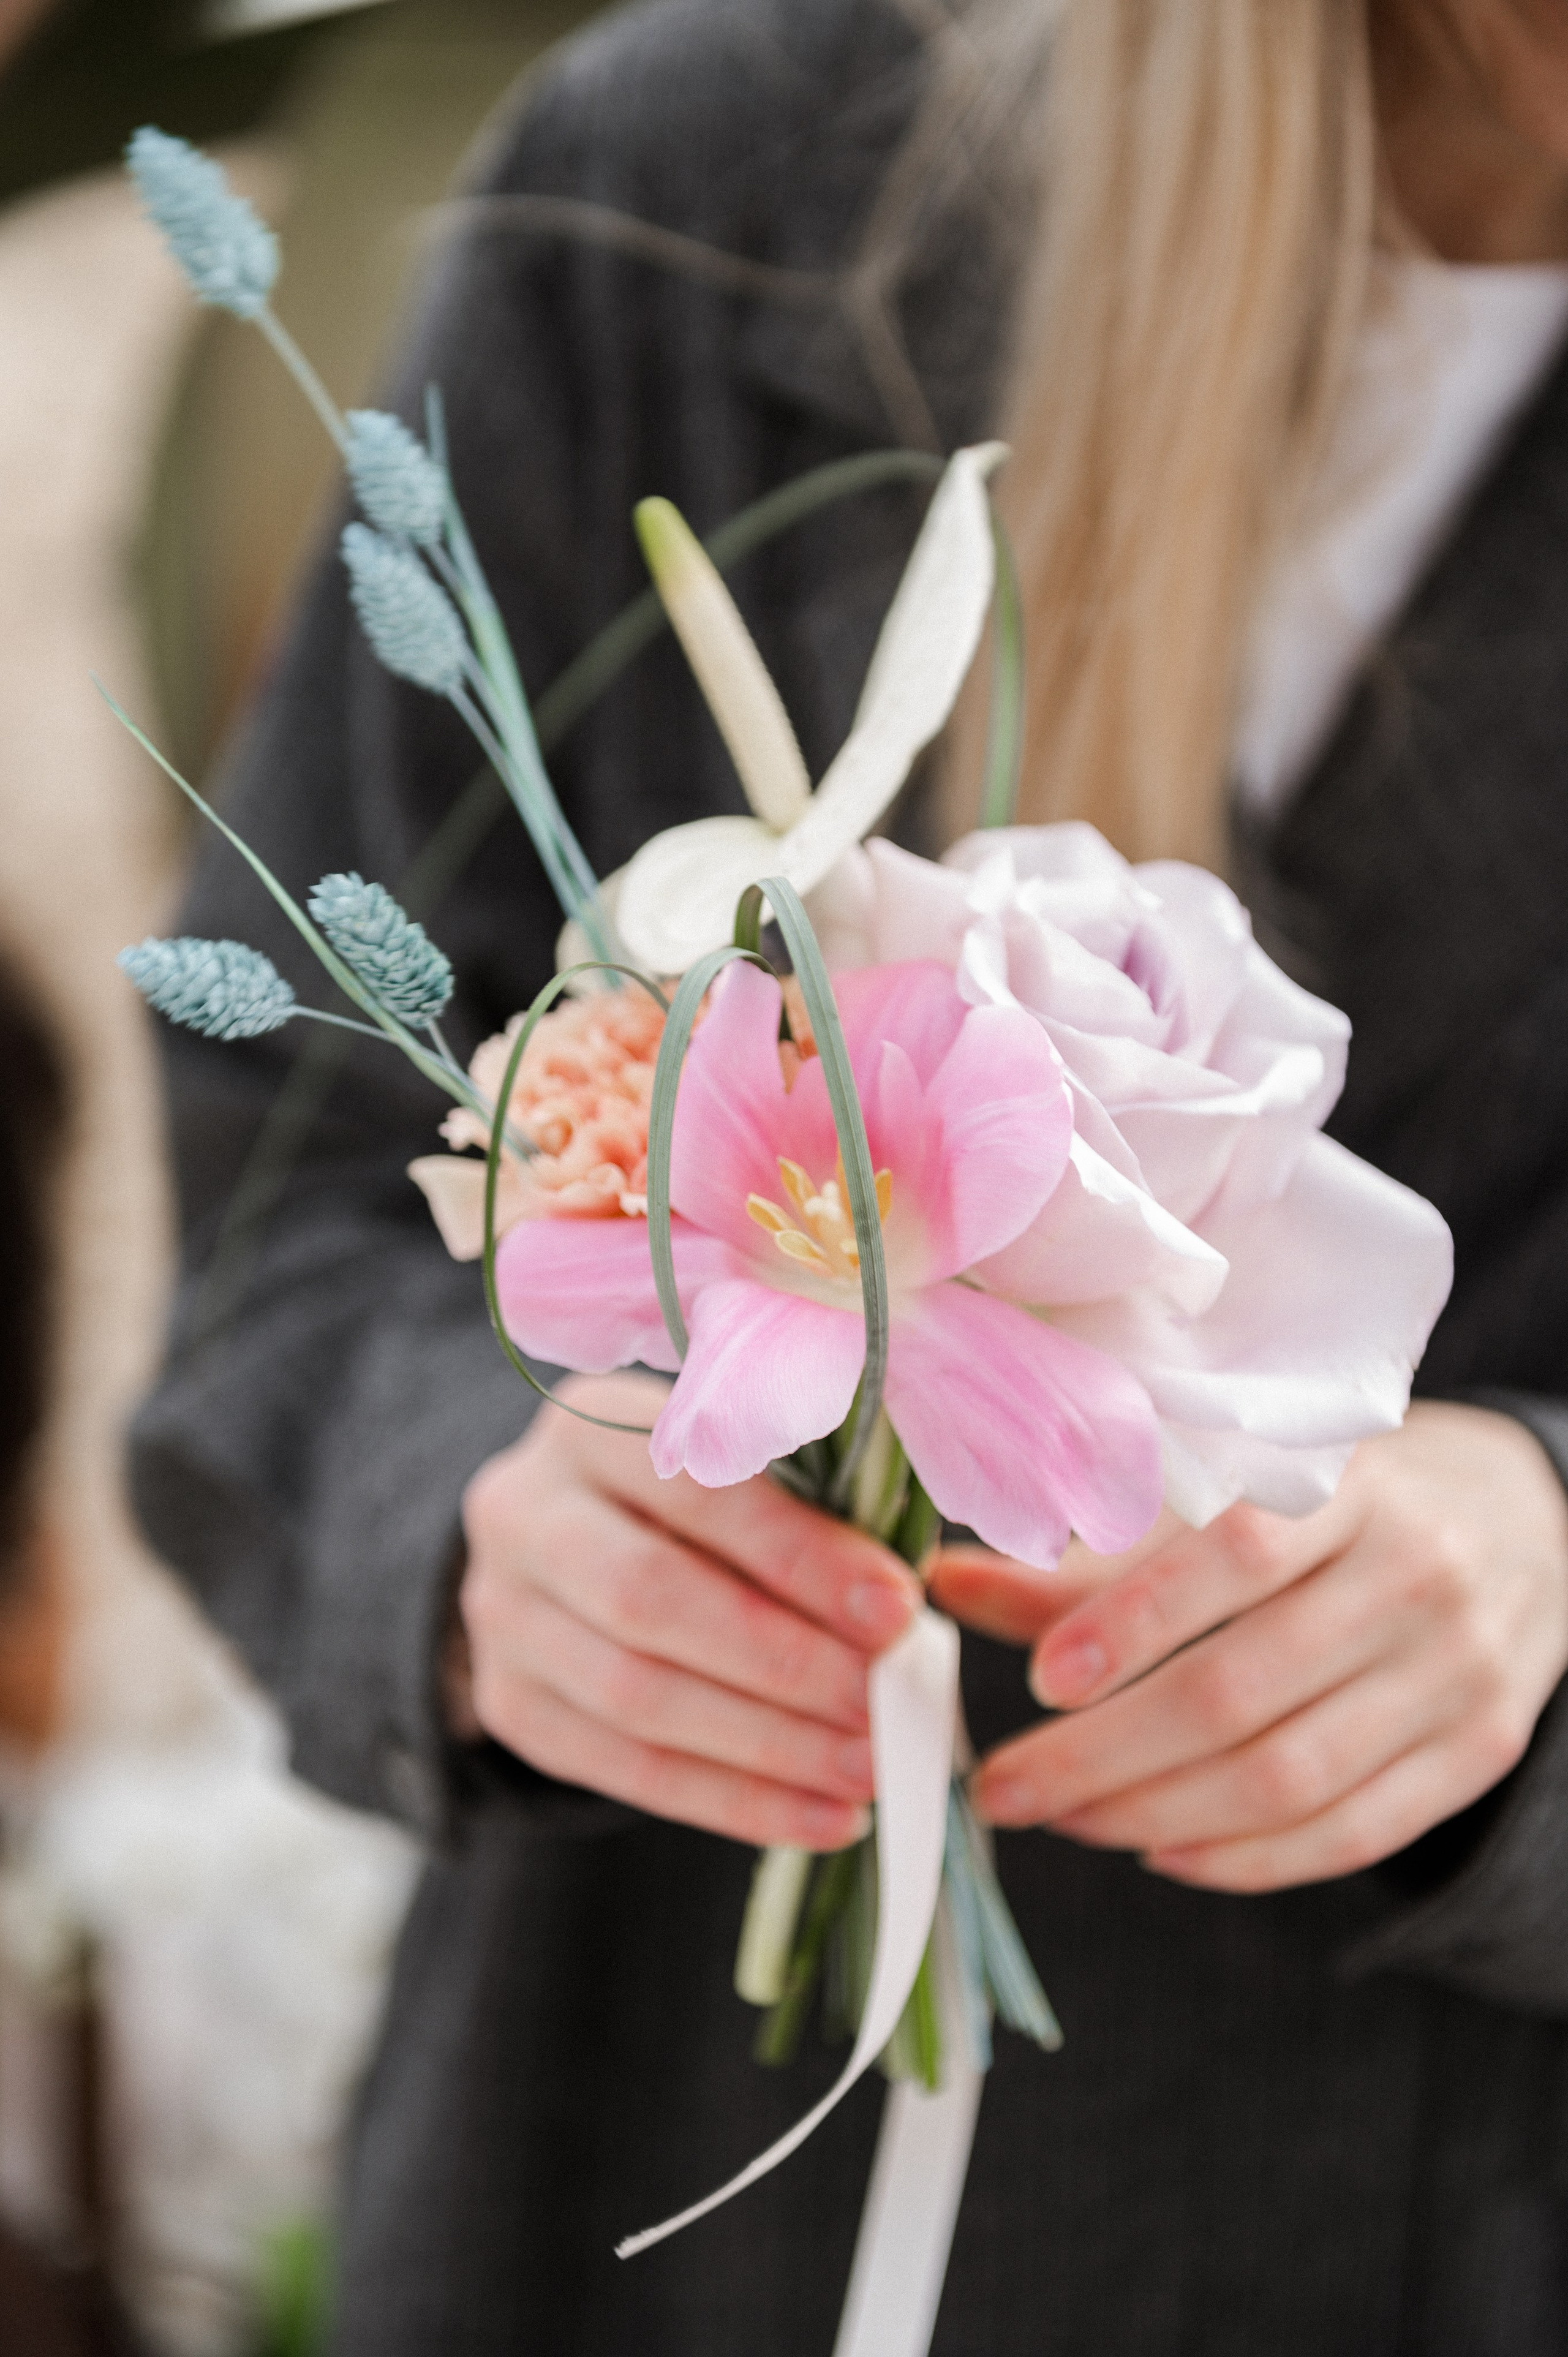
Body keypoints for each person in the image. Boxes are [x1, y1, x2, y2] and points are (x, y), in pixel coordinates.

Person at [129, 0, 1568, 2348]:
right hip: (638, 2177)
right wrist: (475, 1530)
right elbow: (283, 1223)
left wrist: (1543, 1562)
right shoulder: (689, 208)